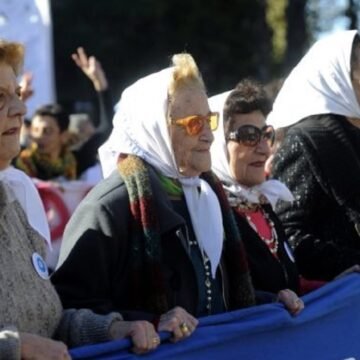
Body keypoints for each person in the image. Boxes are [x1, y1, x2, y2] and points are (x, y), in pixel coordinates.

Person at [52, 53, 303, 339]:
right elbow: (67, 313)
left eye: (209, 121)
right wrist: (143, 323)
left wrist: (270, 302)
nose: (209, 136)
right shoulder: (108, 208)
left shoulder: (206, 196)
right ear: (154, 129)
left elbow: (214, 300)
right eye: (194, 124)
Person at [0, 39, 161, 359]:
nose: (20, 109)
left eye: (16, 95)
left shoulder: (16, 202)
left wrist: (115, 328)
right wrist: (15, 347)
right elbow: (28, 340)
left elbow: (49, 321)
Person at [268, 30, 360, 281]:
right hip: (337, 296)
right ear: (338, 77)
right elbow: (286, 232)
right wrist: (346, 262)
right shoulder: (306, 140)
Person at [209, 79, 299, 294]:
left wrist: (339, 285)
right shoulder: (211, 214)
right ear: (219, 145)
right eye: (249, 136)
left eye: (266, 135)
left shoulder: (263, 205)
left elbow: (293, 288)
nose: (265, 150)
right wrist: (272, 303)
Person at [15, 47, 113, 181]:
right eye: (35, 130)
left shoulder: (75, 162)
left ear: (64, 135)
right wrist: (18, 101)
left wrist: (100, 82)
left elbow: (105, 128)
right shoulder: (19, 160)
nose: (39, 136)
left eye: (47, 131)